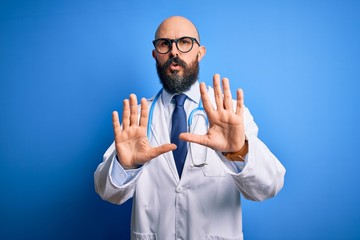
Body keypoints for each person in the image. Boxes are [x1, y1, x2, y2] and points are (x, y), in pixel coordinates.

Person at [94, 16, 286, 240]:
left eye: (185, 42)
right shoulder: (137, 118)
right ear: (155, 54)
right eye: (165, 44)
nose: (174, 51)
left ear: (200, 52)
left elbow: (269, 186)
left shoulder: (232, 113)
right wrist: (125, 165)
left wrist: (239, 151)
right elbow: (108, 192)